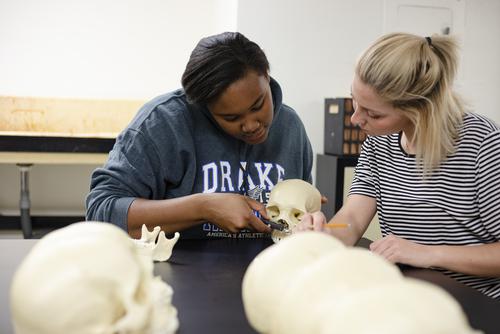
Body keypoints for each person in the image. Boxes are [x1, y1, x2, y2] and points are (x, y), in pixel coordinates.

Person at [297, 33, 500, 300]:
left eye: (374, 113)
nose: (356, 119)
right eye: (355, 100)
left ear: (420, 109)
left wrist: (428, 254)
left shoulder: (483, 145)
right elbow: (353, 219)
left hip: (477, 302)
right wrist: (323, 235)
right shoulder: (378, 143)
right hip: (410, 295)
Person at [86, 32, 314, 239]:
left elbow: (301, 220)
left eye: (258, 106)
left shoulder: (291, 127)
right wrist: (202, 207)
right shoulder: (161, 124)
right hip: (178, 277)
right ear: (202, 106)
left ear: (266, 75)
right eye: (231, 118)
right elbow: (101, 212)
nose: (251, 125)